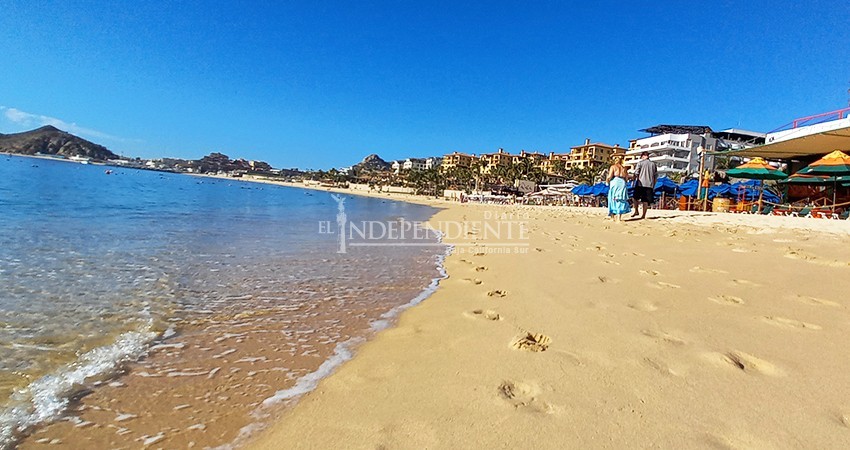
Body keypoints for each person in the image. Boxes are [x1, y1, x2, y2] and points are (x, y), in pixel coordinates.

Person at [631, 152, 658, 219]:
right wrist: (653, 185)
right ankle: (643, 215)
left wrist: (634, 180)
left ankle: (636, 211)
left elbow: (636, 173)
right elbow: (655, 176)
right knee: (645, 201)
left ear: (643, 156)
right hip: (649, 184)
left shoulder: (640, 163)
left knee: (635, 198)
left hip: (641, 184)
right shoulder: (653, 164)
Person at [606, 156, 630, 221]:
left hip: (615, 182)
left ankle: (612, 217)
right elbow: (627, 178)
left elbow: (610, 176)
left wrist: (607, 181)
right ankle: (619, 217)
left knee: (613, 198)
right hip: (622, 182)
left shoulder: (613, 167)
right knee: (621, 199)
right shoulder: (624, 168)